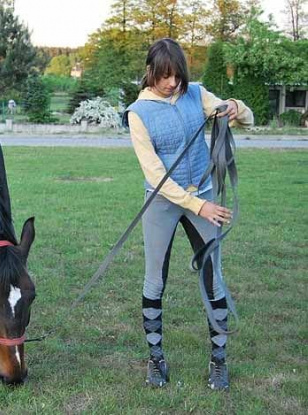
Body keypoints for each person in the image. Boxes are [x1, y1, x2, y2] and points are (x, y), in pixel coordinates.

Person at [123, 38, 253, 390]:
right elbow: (155, 175)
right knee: (154, 282)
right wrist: (200, 206)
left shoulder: (196, 93)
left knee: (215, 280)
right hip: (163, 204)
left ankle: (219, 362)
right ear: (151, 72)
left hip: (204, 196)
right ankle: (155, 360)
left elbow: (245, 117)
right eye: (165, 76)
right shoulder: (138, 114)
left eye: (177, 76)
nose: (172, 84)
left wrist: (235, 108)